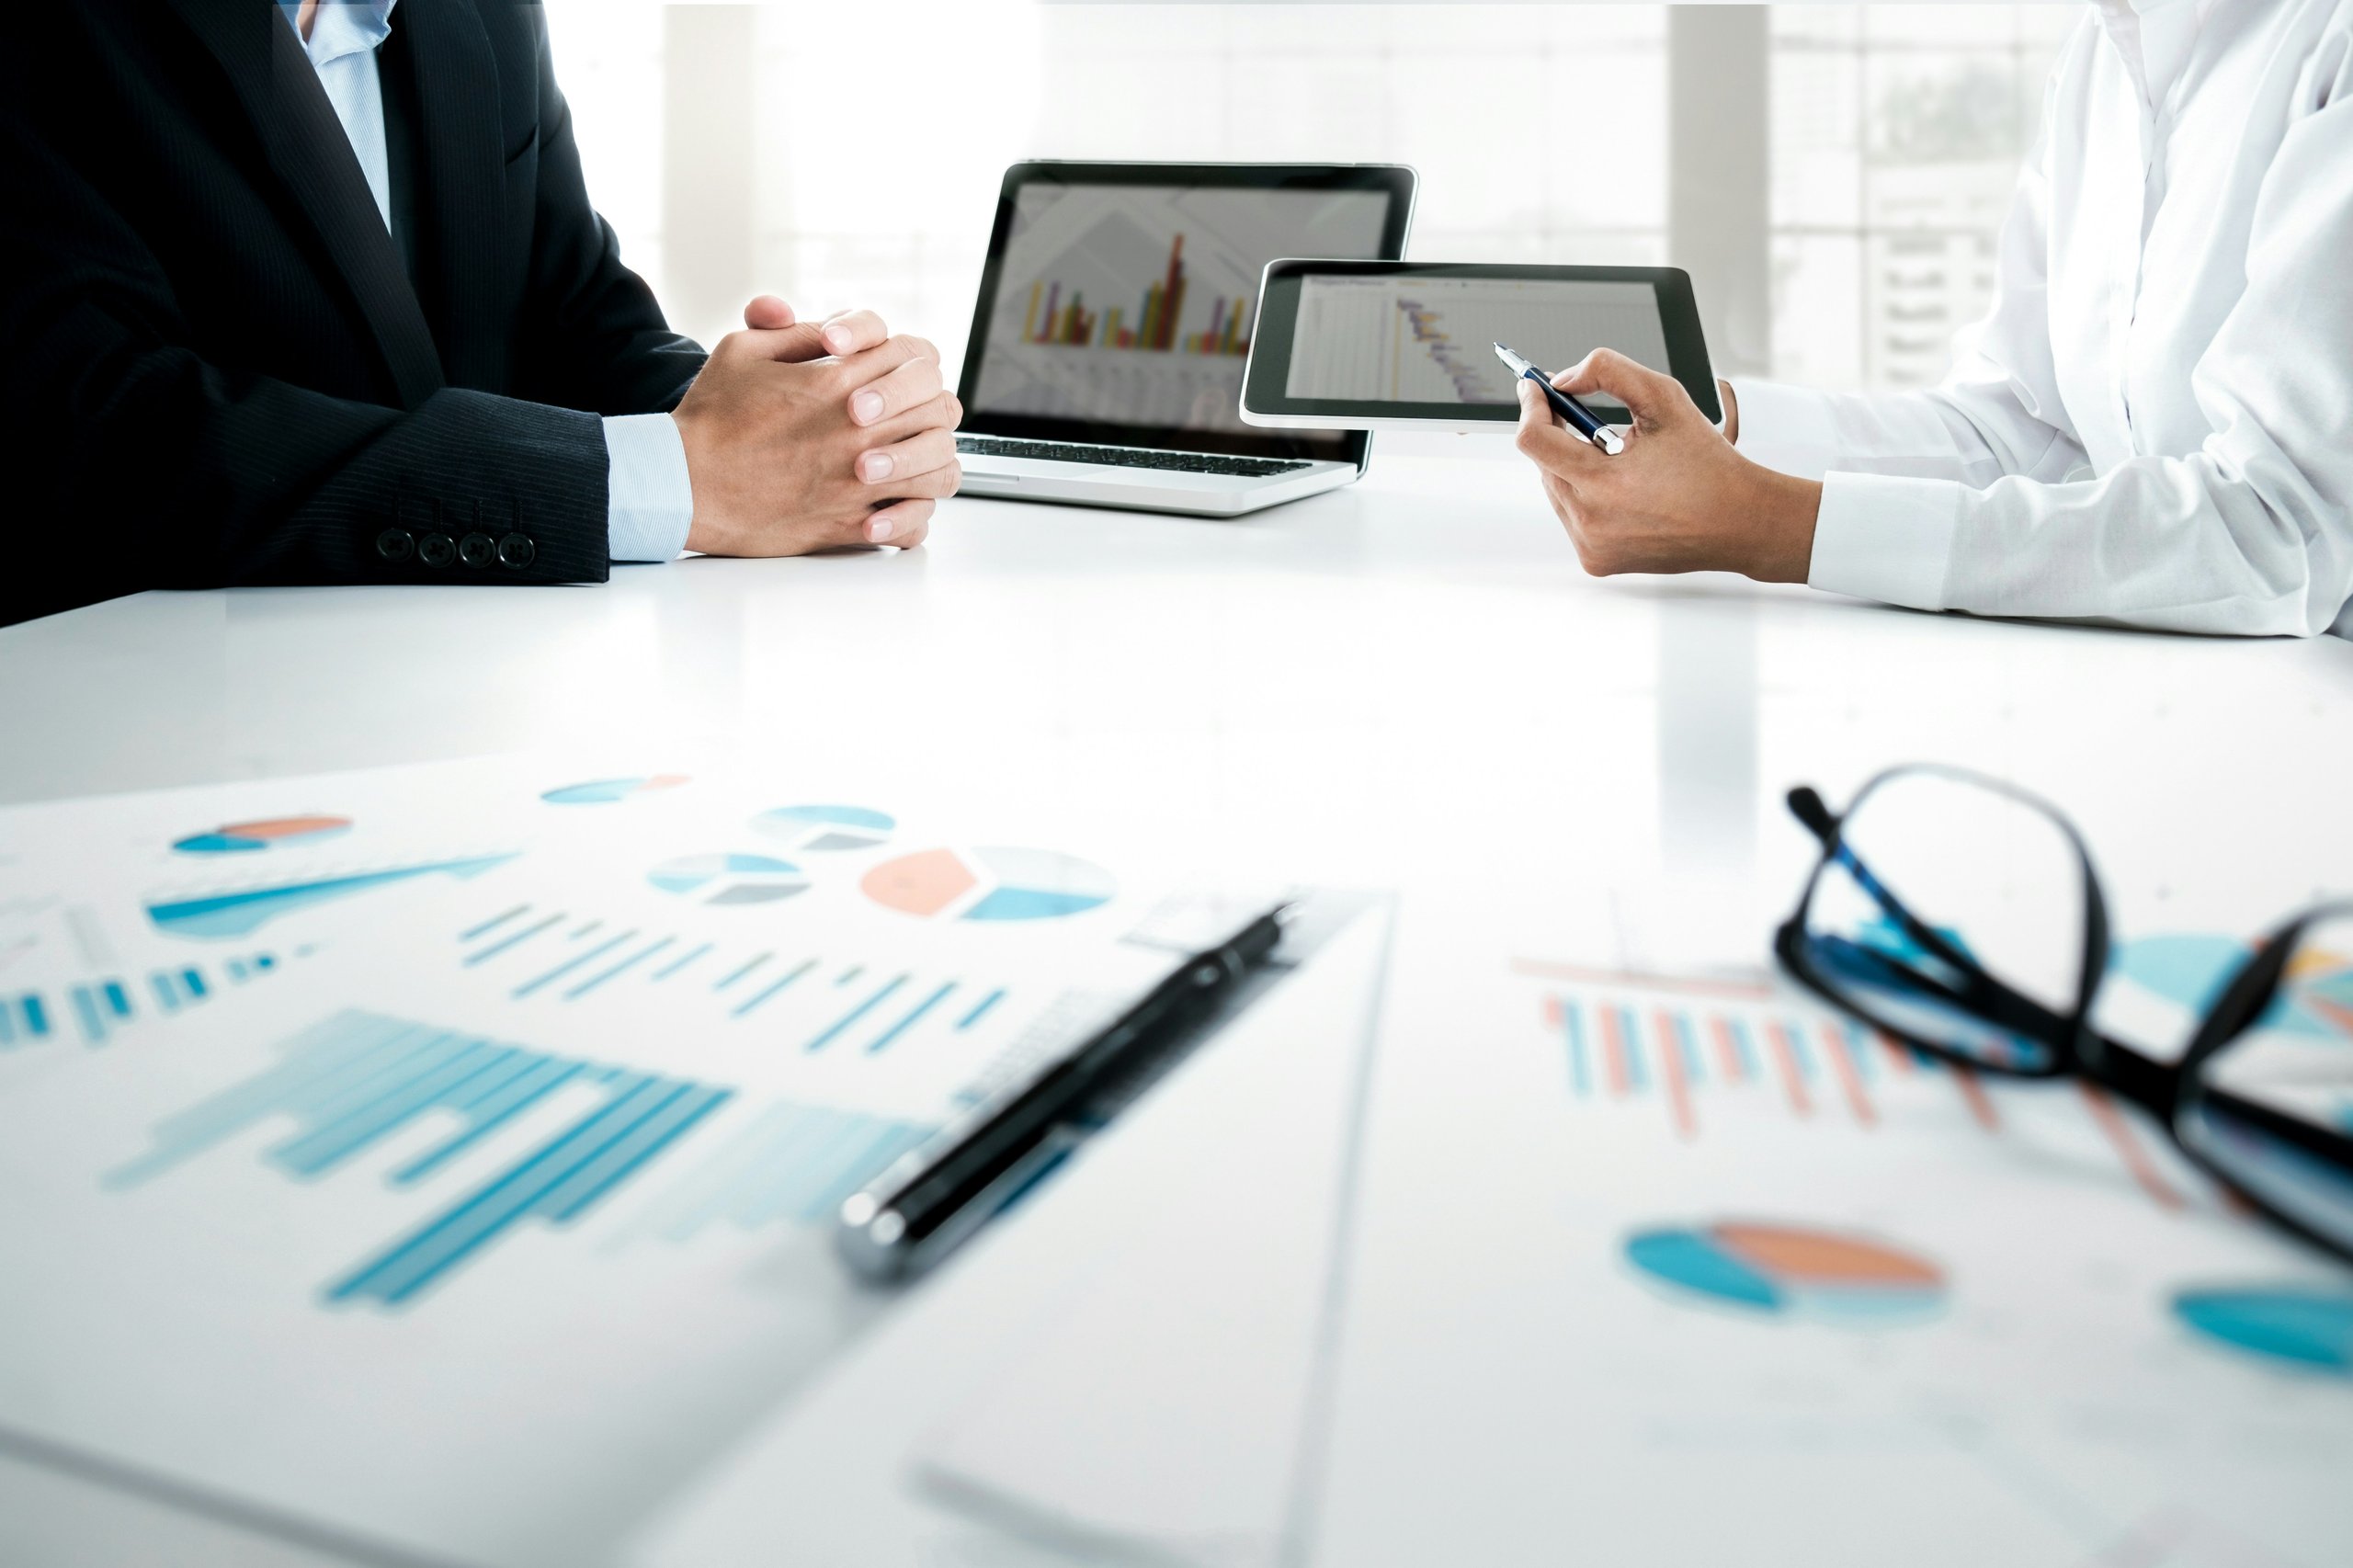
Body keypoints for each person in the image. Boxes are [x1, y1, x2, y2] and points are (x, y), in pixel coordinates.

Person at [0, 0, 962, 627]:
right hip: (119, 718)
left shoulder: (483, 14)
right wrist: (670, 478)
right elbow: (88, 425)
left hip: (458, 694)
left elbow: (575, 317)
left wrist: (809, 419)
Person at [1514, 0, 2353, 639]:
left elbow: (2282, 533)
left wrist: (1770, 525)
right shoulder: (2106, 49)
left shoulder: (2330, 40)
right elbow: (2022, 429)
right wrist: (1719, 425)